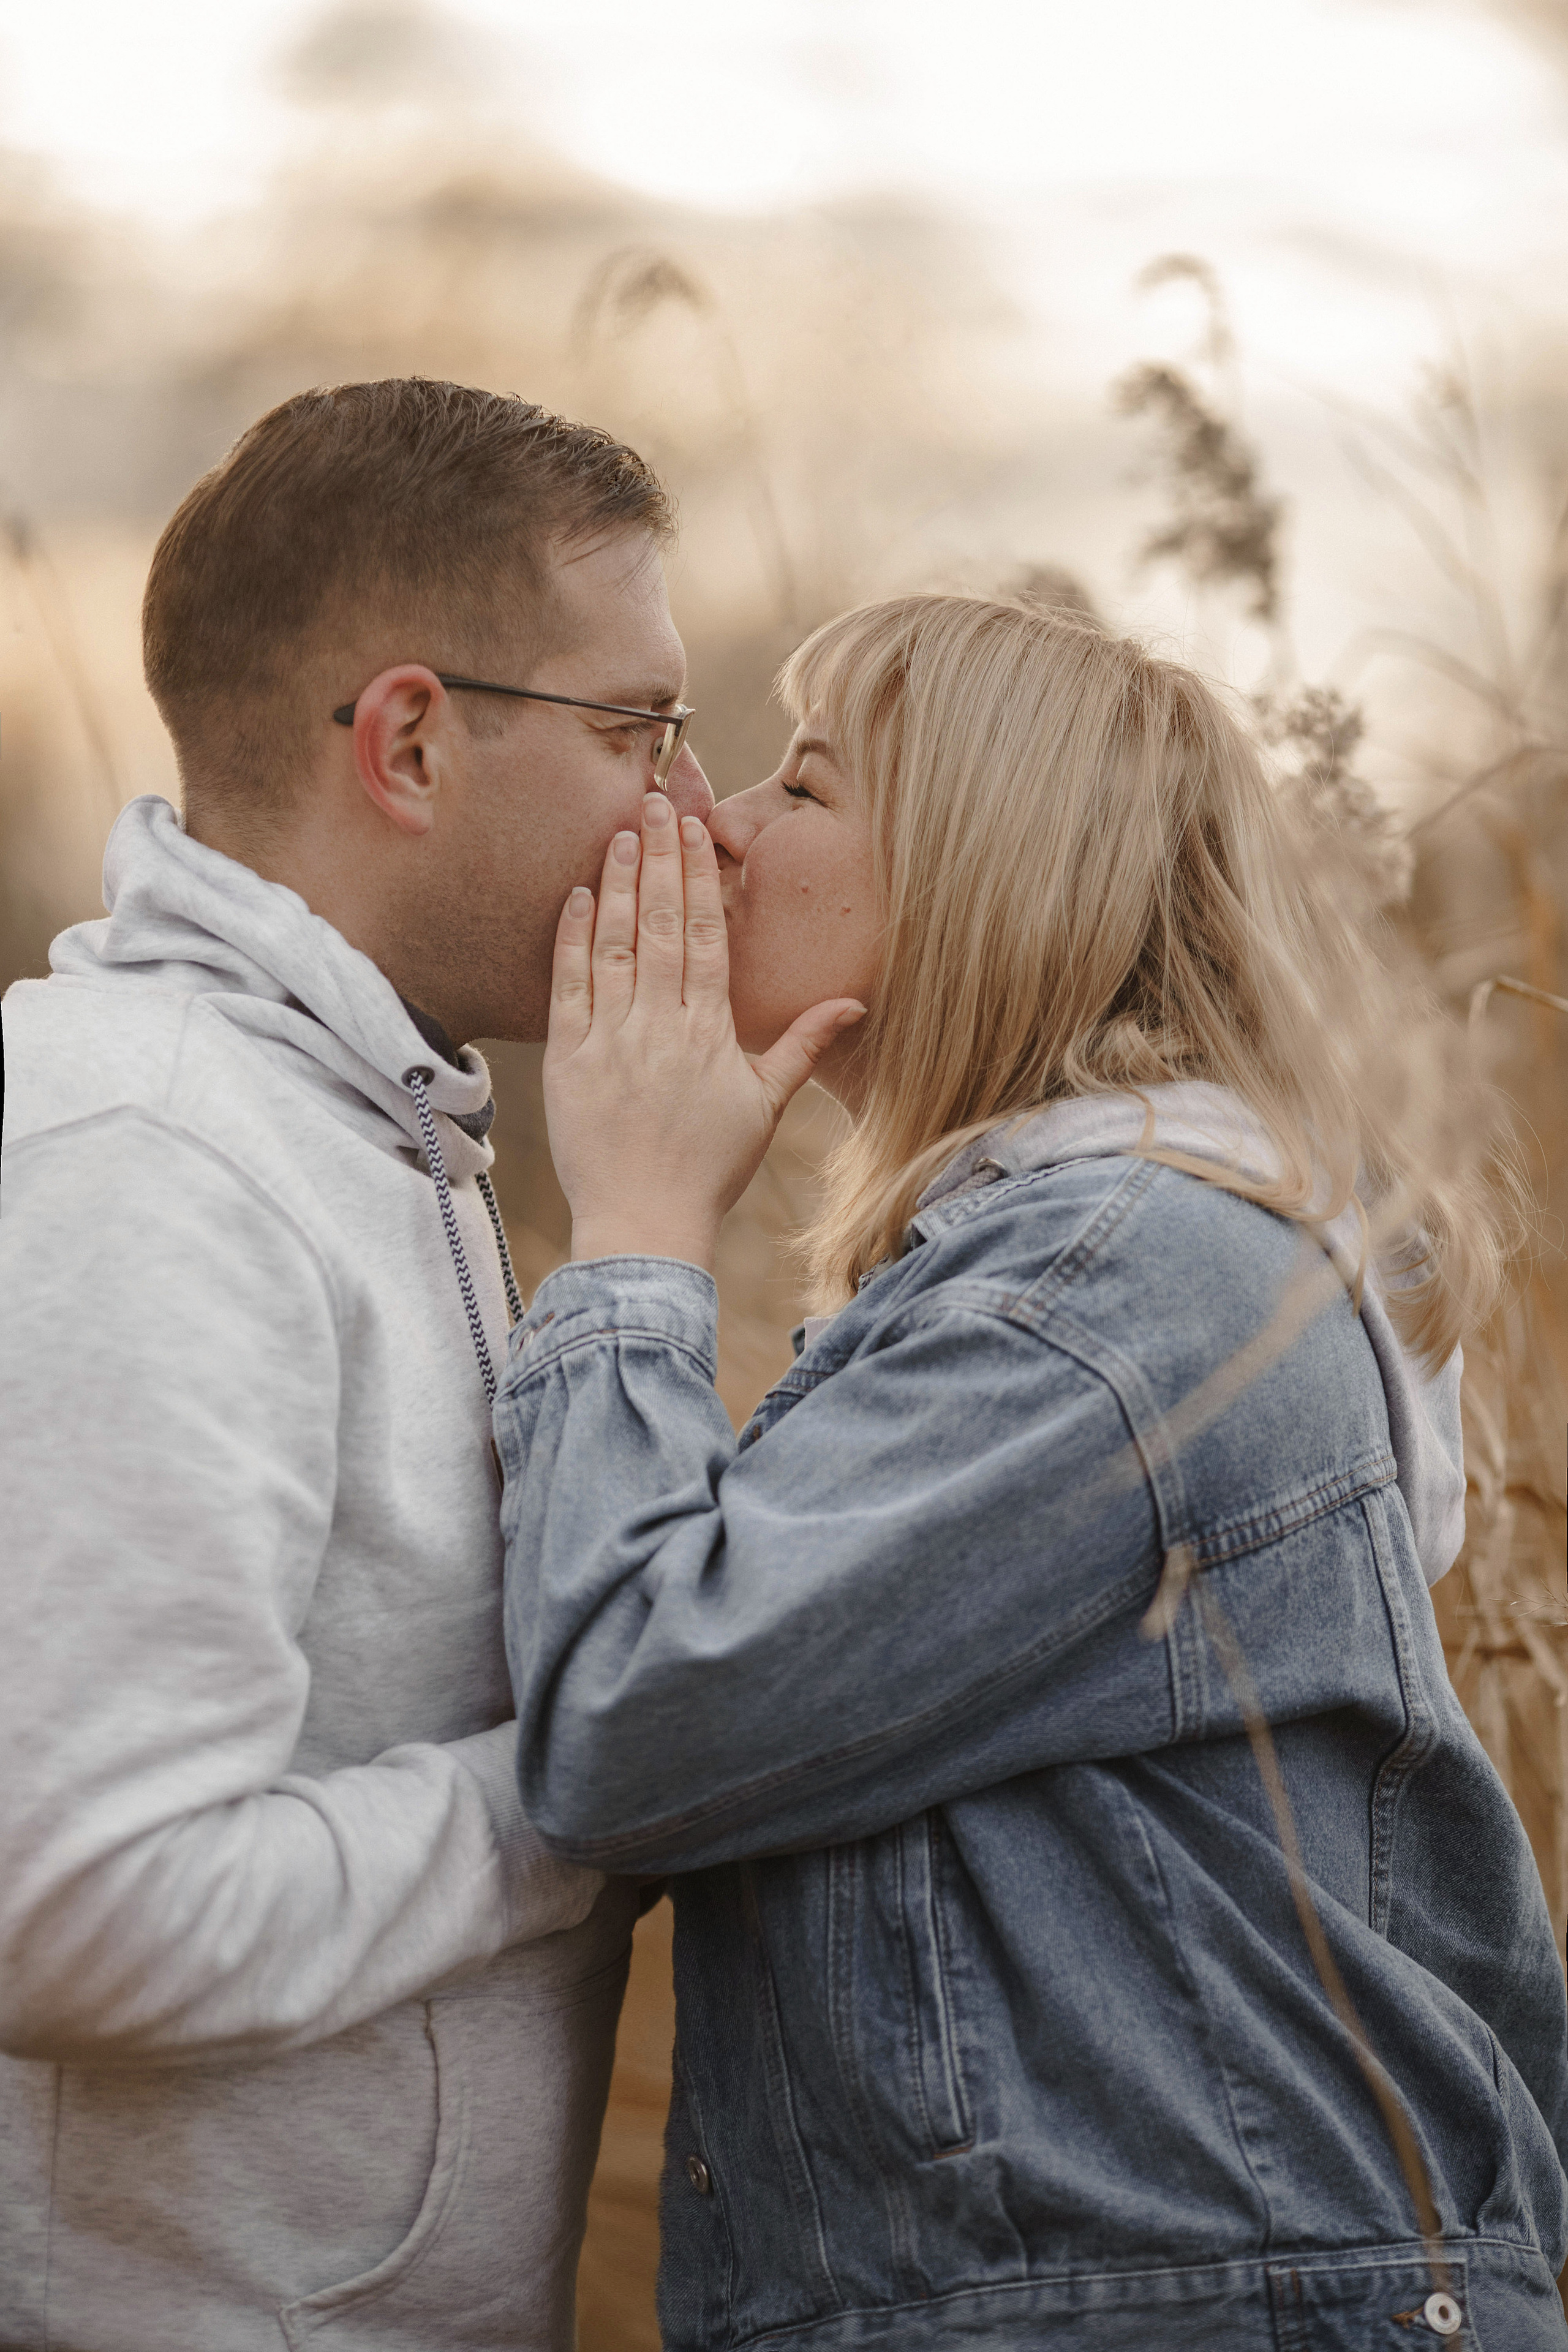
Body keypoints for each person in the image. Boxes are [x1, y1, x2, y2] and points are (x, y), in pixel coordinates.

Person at [496, 595, 1568, 2350]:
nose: (720, 821)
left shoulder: (1122, 1291)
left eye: (805, 786)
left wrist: (628, 1228)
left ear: (990, 877)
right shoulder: (1096, 1270)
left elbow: (634, 1721)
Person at [0, 377, 713, 2350]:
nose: (691, 805)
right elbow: (80, 1907)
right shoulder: (146, 1153)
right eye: (641, 728)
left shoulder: (374, 1125)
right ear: (410, 740)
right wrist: (591, 1792)